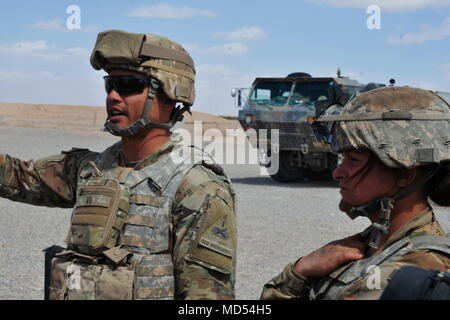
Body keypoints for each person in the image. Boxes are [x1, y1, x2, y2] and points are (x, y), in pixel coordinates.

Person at [0, 30, 236, 300]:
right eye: (109, 85)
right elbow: (17, 176)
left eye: (127, 86)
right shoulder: (92, 169)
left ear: (171, 96)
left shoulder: (198, 188)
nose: (112, 96)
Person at [260, 86, 450, 300]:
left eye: (354, 160)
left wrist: (297, 275)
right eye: (343, 159)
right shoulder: (378, 242)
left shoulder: (414, 273)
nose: (338, 173)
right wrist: (302, 270)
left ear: (405, 174)